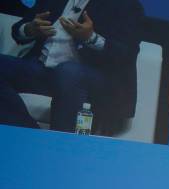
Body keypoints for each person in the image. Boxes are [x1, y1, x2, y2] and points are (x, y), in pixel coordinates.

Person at [0, 0, 143, 134]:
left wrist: (91, 38)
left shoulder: (125, 4)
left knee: (68, 72)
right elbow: (19, 29)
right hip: (42, 71)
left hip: (88, 79)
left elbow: (127, 54)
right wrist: (29, 29)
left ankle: (61, 147)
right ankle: (31, 135)